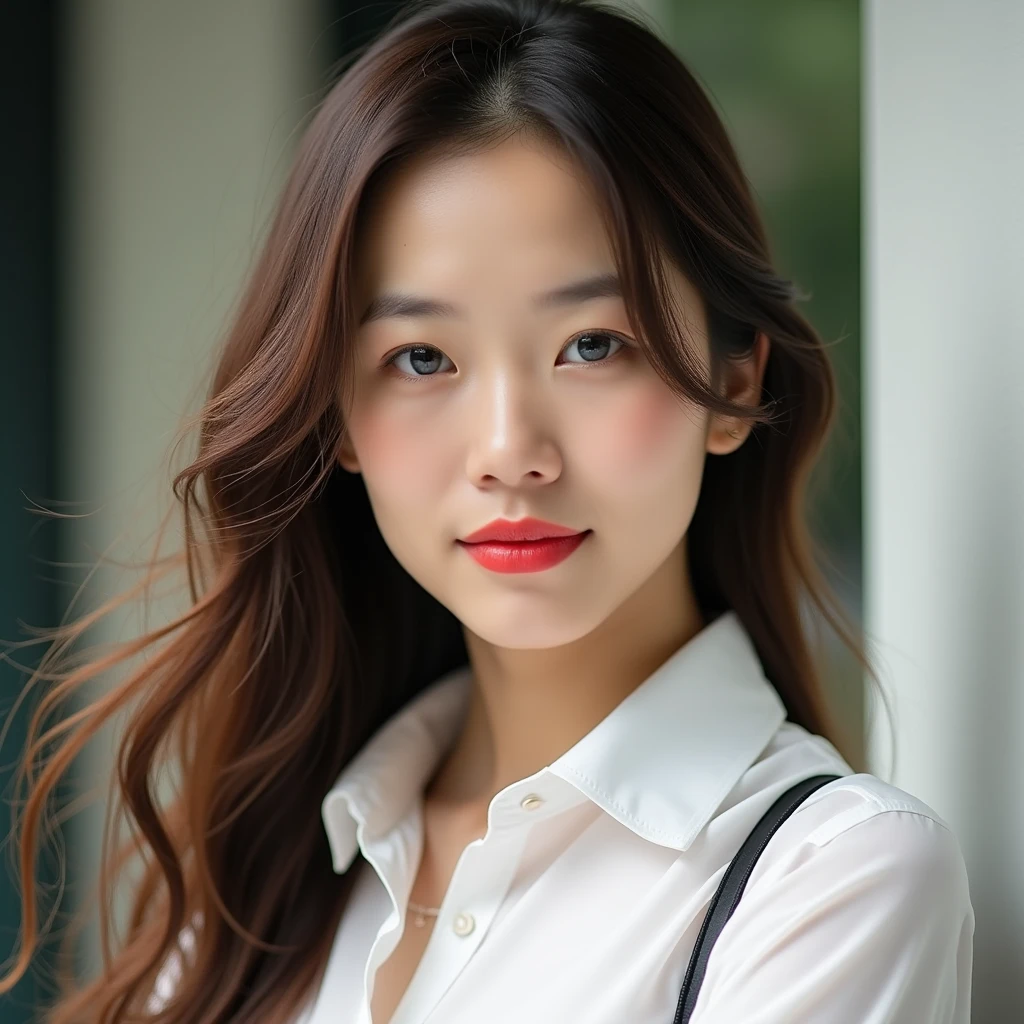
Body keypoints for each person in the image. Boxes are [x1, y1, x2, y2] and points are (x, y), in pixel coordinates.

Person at [2, 0, 973, 1021]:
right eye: (423, 358)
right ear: (336, 414)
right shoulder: (265, 884)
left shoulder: (827, 884)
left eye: (593, 343)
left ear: (731, 382)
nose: (510, 451)